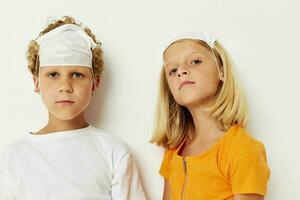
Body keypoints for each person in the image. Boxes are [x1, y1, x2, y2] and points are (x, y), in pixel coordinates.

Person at [0, 16, 146, 200]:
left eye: (77, 74)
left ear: (94, 84)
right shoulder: (15, 156)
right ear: (37, 82)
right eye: (53, 74)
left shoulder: (114, 152)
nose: (65, 86)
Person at [151, 31, 270, 200]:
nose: (181, 71)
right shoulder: (174, 150)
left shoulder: (243, 149)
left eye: (195, 61)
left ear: (221, 70)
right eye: (172, 70)